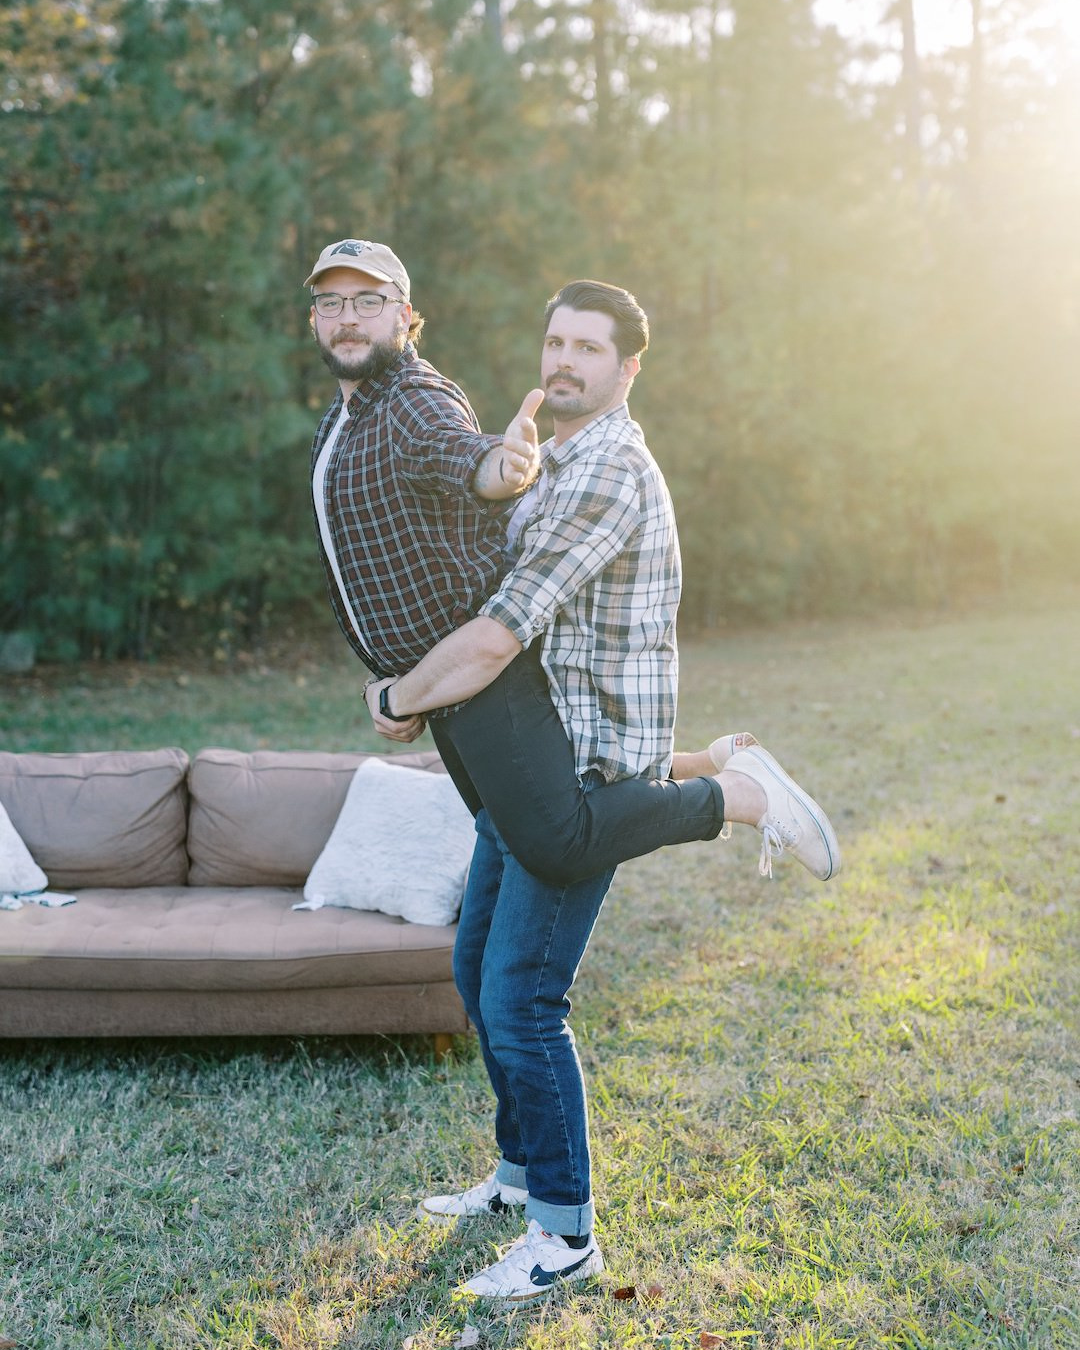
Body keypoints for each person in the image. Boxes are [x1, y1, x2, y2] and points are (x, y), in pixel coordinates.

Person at [305, 244, 840, 1301]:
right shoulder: (567, 453)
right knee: (475, 971)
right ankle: (516, 1175)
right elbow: (491, 503)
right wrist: (503, 476)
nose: (564, 361)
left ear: (628, 368)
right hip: (552, 740)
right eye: (555, 341)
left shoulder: (609, 471)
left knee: (523, 999)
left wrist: (397, 698)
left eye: (589, 349)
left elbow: (502, 630)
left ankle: (565, 1230)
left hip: (586, 759)